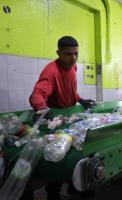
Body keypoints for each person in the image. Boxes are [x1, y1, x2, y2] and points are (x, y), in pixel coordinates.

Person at [27, 36, 95, 200]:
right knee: (59, 155)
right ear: (58, 52)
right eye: (68, 54)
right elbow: (37, 94)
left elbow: (70, 88)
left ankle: (75, 186)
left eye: (76, 54)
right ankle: (52, 193)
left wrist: (80, 99)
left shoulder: (73, 67)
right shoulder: (51, 71)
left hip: (72, 118)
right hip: (58, 122)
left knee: (78, 151)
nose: (73, 58)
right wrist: (42, 108)